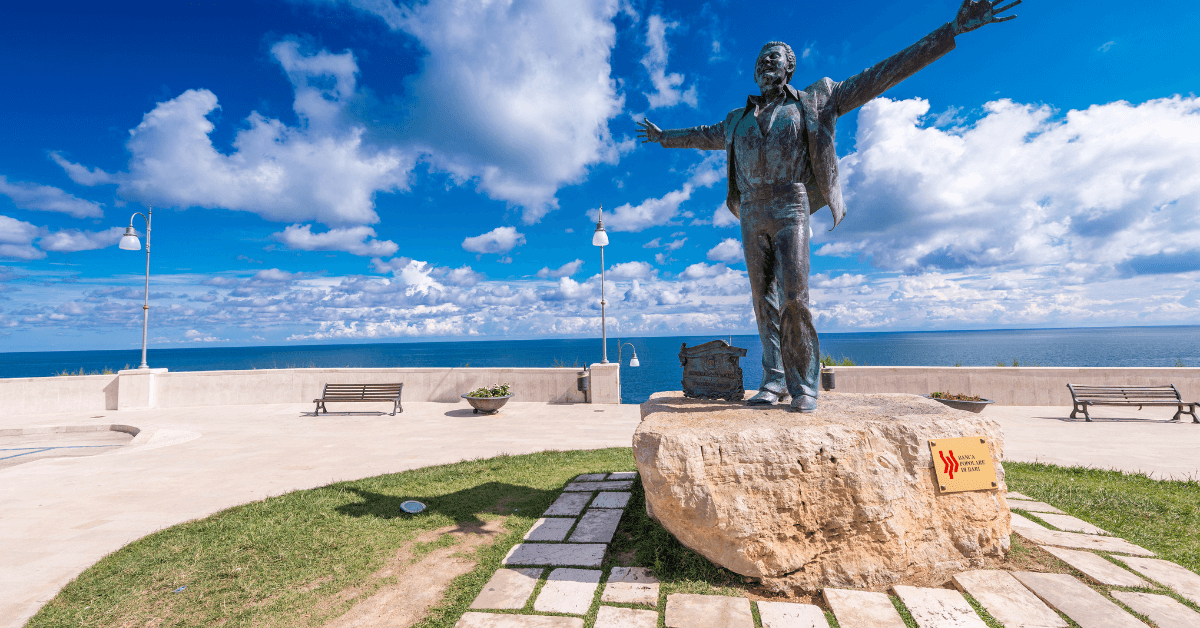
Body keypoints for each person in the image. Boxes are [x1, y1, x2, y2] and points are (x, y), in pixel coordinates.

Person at [637, 0, 1020, 412]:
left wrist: (950, 31)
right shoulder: (736, 120)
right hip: (751, 212)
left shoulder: (815, 101)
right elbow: (701, 134)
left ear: (788, 69)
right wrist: (664, 138)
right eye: (760, 59)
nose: (765, 62)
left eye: (774, 58)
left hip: (791, 205)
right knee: (762, 301)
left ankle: (803, 385)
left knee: (795, 298)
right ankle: (773, 380)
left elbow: (879, 75)